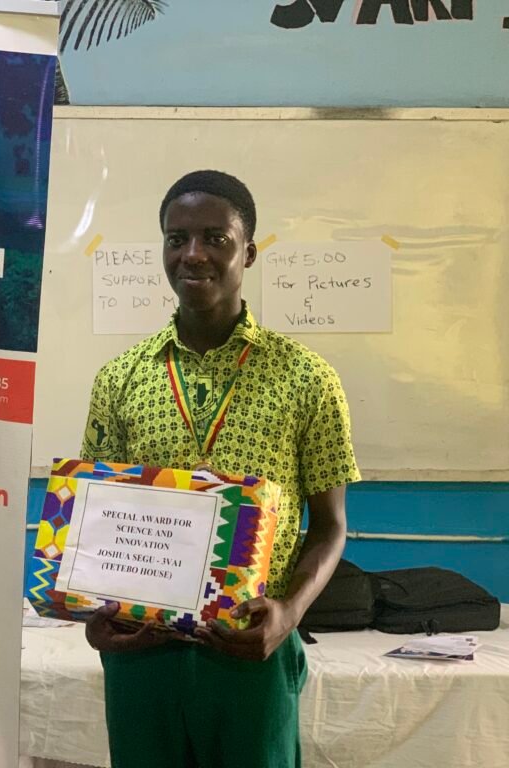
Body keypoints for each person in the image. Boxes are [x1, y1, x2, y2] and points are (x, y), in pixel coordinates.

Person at [80, 170, 360, 768]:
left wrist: (288, 614)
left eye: (215, 238)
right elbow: (98, 522)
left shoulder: (307, 379)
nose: (193, 254)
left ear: (248, 252)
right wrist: (92, 615)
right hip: (142, 653)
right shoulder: (119, 379)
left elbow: (330, 526)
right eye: (176, 238)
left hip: (249, 650)